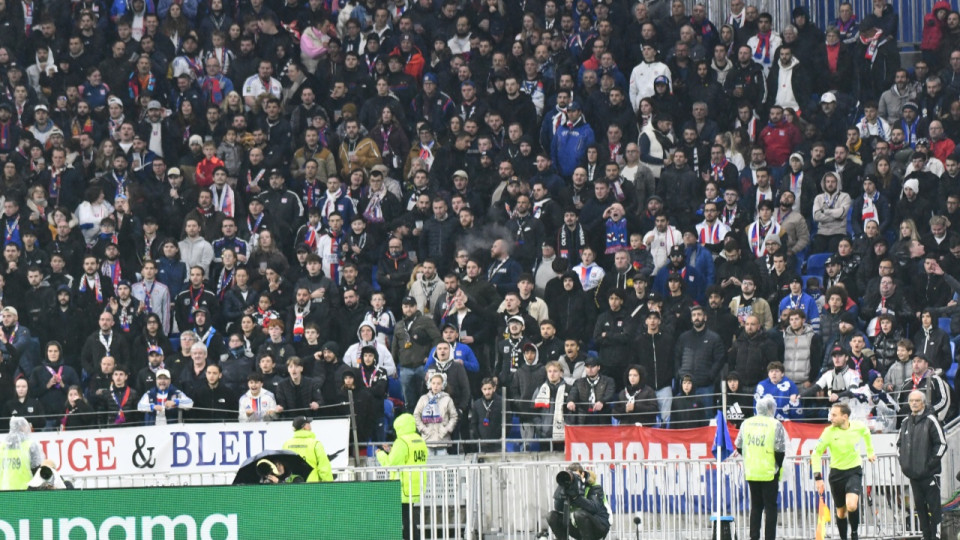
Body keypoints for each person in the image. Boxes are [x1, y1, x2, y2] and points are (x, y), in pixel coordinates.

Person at [812, 402, 876, 540]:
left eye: (834, 415)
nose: (830, 418)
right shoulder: (828, 432)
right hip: (836, 474)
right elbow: (816, 453)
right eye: (831, 414)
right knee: (841, 512)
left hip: (854, 471)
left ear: (844, 417)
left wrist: (870, 451)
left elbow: (866, 433)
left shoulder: (858, 426)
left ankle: (854, 534)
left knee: (851, 505)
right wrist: (818, 477)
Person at [897, 390, 947, 540]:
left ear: (923, 403)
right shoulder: (905, 422)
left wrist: (929, 465)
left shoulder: (931, 420)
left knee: (934, 507)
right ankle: (926, 536)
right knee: (920, 508)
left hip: (929, 474)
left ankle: (936, 537)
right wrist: (904, 464)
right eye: (911, 400)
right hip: (914, 475)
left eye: (917, 400)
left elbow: (942, 444)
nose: (914, 403)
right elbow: (899, 445)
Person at [735, 395, 787, 540]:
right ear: (770, 409)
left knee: (756, 506)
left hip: (752, 470)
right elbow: (780, 450)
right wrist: (778, 465)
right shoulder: (775, 424)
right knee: (770, 507)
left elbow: (738, 445)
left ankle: (754, 537)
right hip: (769, 471)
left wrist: (750, 456)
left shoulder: (746, 423)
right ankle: (769, 537)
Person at [376, 413, 428, 540]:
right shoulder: (419, 440)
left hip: (403, 485)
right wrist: (391, 451)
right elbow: (408, 457)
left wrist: (380, 454)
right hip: (416, 484)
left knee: (405, 519)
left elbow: (391, 463)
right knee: (408, 517)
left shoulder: (401, 442)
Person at [545, 462, 610, 540]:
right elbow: (558, 508)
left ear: (582, 474)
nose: (574, 479)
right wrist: (561, 489)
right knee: (551, 516)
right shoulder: (568, 487)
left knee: (579, 514)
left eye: (576, 476)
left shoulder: (594, 487)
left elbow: (594, 508)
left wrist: (576, 497)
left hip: (599, 526)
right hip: (579, 527)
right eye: (572, 476)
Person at [281, 416, 334, 482]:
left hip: (292, 485)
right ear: (304, 427)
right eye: (308, 423)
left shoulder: (286, 444)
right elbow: (324, 468)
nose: (310, 425)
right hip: (311, 485)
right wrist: (329, 484)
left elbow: (283, 468)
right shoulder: (315, 444)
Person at [0, 417, 43, 491]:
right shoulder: (30, 445)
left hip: (4, 490)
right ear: (22, 427)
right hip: (25, 490)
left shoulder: (2, 446)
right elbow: (36, 469)